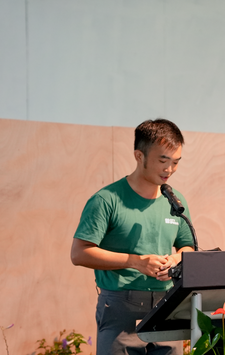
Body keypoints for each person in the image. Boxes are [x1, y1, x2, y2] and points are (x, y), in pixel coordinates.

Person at [71, 118, 194, 355]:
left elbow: (188, 246)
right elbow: (79, 253)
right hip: (120, 308)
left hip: (167, 307)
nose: (170, 169)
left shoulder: (176, 201)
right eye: (163, 160)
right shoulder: (107, 199)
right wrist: (136, 262)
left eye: (176, 161)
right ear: (139, 156)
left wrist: (177, 259)